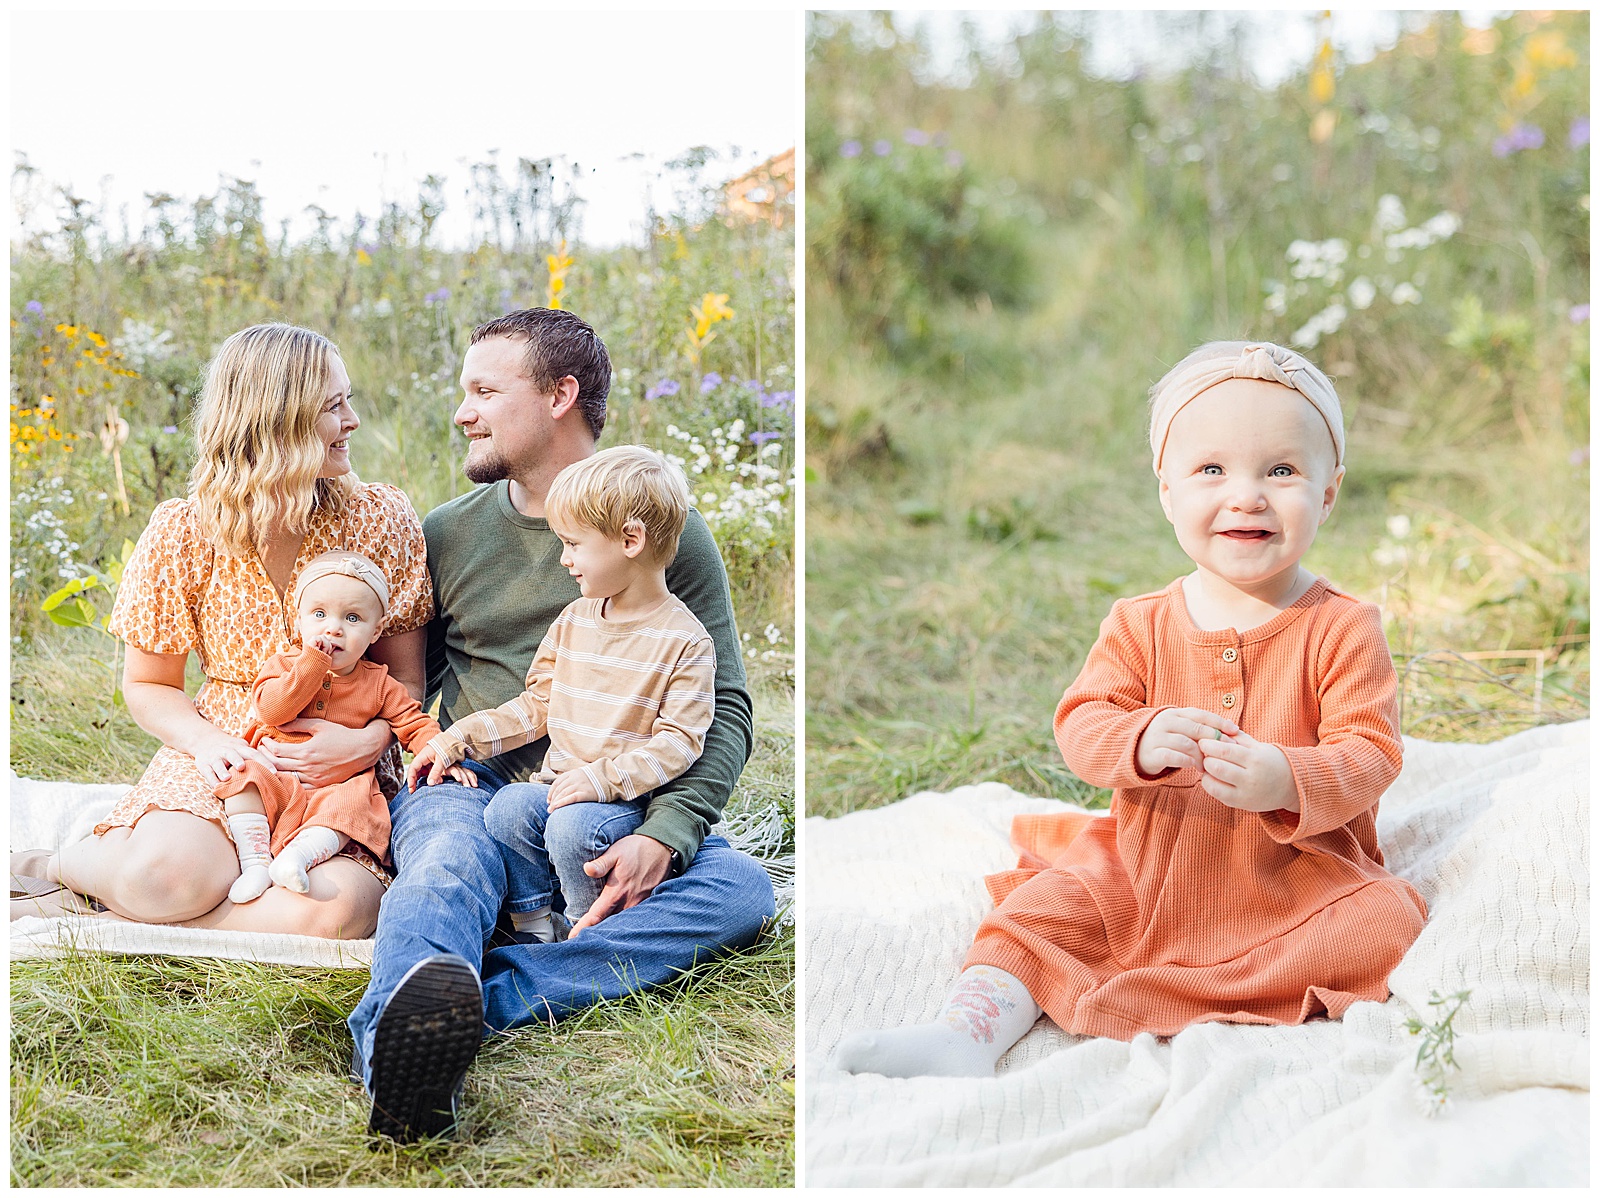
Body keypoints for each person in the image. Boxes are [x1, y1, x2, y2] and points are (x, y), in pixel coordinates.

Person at [834, 340, 1428, 1079]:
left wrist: (1287, 778)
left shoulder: (1341, 626)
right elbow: (1083, 725)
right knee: (1038, 912)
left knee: (1388, 922)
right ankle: (969, 1033)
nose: (1246, 495)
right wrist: (1141, 740)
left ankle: (1195, 988)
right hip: (1147, 869)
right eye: (1211, 469)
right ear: (1167, 491)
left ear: (1329, 493)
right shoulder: (1140, 623)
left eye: (1281, 470)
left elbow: (1371, 751)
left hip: (1289, 879)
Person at [350, 308, 774, 1144]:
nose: (462, 412)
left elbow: (724, 707)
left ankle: (475, 997)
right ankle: (396, 1070)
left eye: (483, 390)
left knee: (740, 892)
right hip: (475, 790)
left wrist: (670, 831)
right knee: (441, 871)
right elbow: (398, 691)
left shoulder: (658, 532)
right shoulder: (445, 533)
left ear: (560, 396)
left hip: (613, 803)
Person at [8, 323, 433, 939]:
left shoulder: (380, 518)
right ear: (275, 422)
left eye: (349, 399)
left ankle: (96, 903)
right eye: (334, 406)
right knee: (167, 876)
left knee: (341, 913)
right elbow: (150, 684)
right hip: (225, 745)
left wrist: (366, 744)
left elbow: (404, 677)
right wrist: (208, 745)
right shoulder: (184, 530)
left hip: (339, 769)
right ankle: (64, 867)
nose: (355, 419)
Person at [406, 445, 716, 943]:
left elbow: (681, 741)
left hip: (622, 802)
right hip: (557, 788)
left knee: (573, 830)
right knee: (507, 807)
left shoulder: (685, 640)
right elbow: (537, 707)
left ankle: (587, 931)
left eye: (573, 544)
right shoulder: (575, 620)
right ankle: (534, 927)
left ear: (630, 539)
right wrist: (455, 740)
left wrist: (603, 779)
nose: (564, 560)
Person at [217, 551, 472, 903]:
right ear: (299, 621)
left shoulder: (380, 684)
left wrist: (442, 753)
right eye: (319, 614)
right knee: (244, 777)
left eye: (352, 618)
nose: (333, 628)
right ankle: (256, 862)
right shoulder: (285, 664)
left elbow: (414, 722)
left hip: (334, 786)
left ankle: (299, 857)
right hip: (275, 771)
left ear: (375, 631)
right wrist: (311, 664)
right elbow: (271, 710)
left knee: (355, 804)